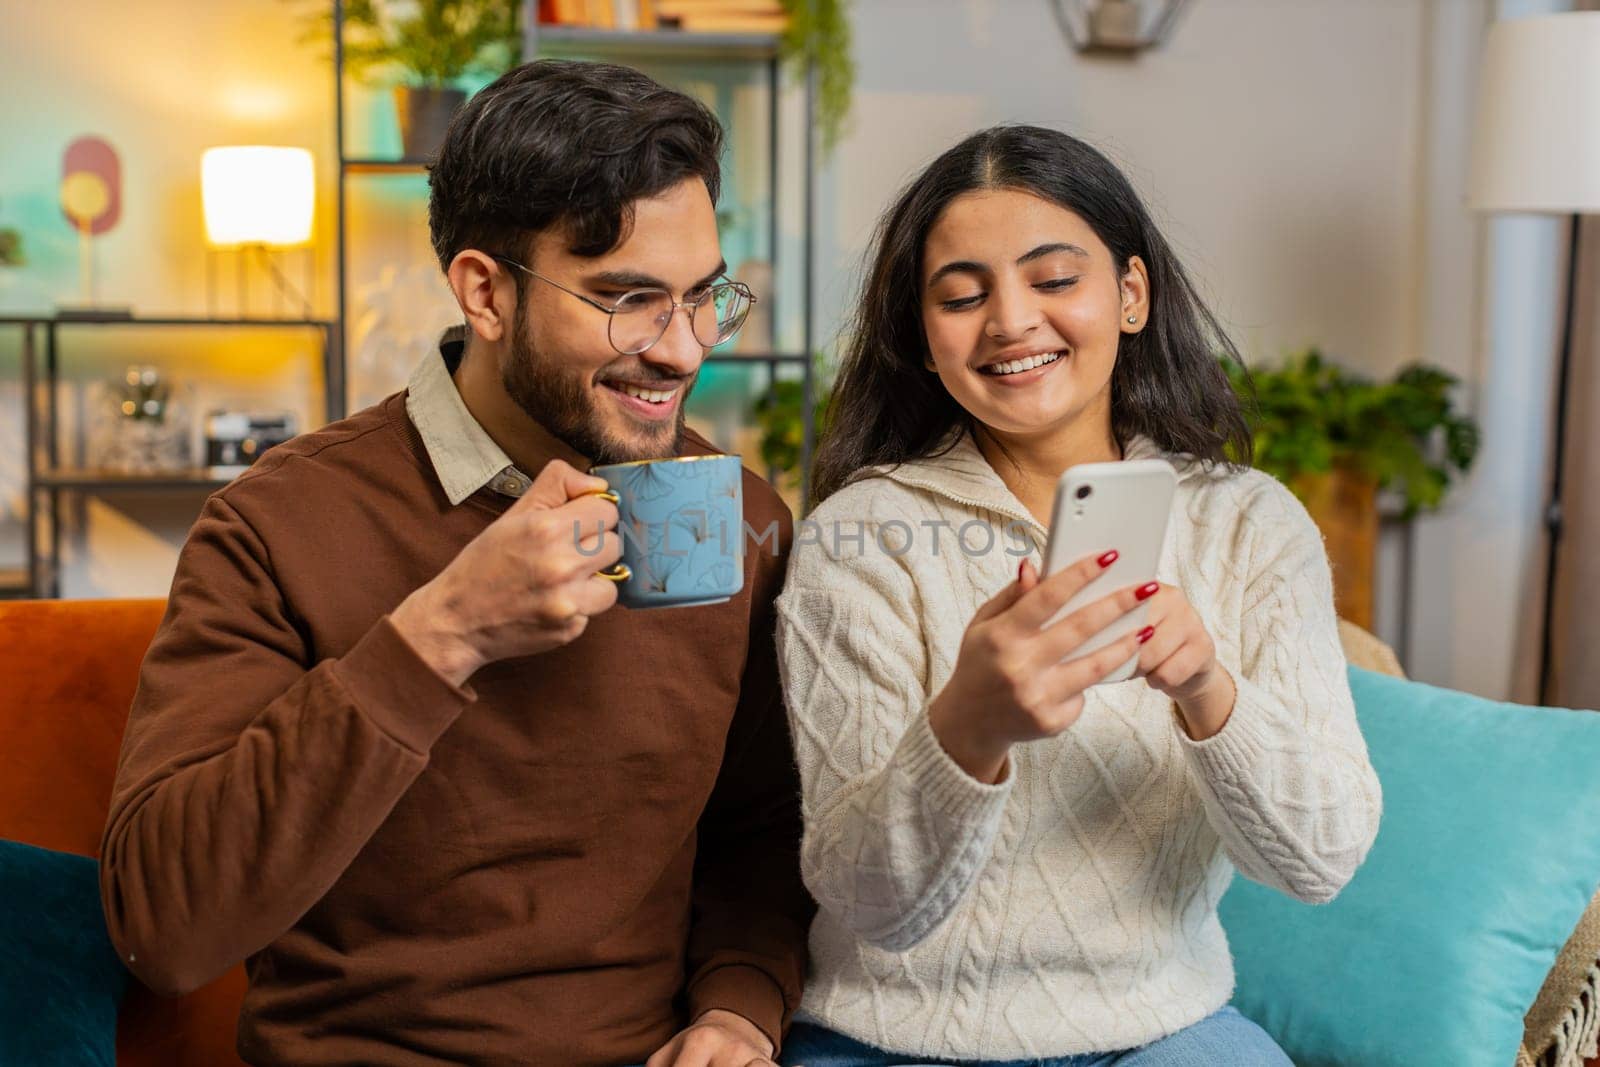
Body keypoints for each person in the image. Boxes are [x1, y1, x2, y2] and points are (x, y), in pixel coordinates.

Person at [100, 59, 812, 1067]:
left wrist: (740, 1010)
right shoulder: (277, 524)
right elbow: (162, 927)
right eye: (628, 298)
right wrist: (443, 635)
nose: (685, 350)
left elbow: (763, 832)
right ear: (484, 291)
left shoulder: (737, 516)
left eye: (704, 297)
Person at [773, 125, 1382, 1066]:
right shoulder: (858, 538)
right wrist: (967, 728)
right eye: (962, 296)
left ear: (1130, 294)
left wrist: (1208, 692)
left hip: (1160, 1028)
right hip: (888, 1038)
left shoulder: (1251, 525)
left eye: (1054, 280)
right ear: (923, 340)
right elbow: (866, 904)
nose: (1012, 321)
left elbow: (1321, 861)